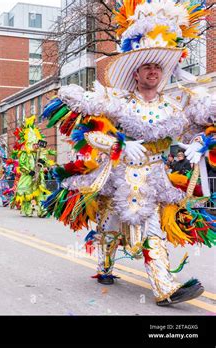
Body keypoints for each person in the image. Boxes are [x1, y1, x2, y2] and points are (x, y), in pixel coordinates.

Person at [41, 0, 215, 306]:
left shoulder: (175, 105)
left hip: (157, 175)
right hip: (122, 173)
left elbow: (199, 126)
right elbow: (89, 132)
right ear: (135, 72)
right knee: (109, 221)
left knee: (151, 225)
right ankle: (105, 265)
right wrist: (121, 144)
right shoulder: (118, 101)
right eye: (146, 66)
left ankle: (164, 287)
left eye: (157, 67)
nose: (153, 71)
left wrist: (200, 144)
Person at [12, 116, 54, 217]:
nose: (36, 146)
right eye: (34, 144)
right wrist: (28, 171)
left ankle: (41, 210)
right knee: (27, 193)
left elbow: (46, 162)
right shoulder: (25, 153)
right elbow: (21, 165)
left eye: (37, 144)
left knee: (39, 193)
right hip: (27, 177)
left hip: (38, 177)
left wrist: (42, 162)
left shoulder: (39, 153)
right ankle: (27, 209)